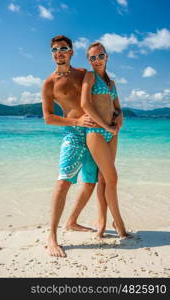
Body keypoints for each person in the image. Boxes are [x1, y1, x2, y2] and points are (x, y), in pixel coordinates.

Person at [42, 35, 98, 257]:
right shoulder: (49, 83)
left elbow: (101, 95)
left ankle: (72, 221)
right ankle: (52, 237)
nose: (59, 52)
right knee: (63, 183)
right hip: (73, 134)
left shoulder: (83, 74)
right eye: (55, 50)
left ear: (72, 51)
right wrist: (75, 121)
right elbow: (48, 118)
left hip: (94, 132)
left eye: (63, 48)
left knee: (91, 181)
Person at [81, 42, 129, 238]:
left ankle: (101, 222)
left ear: (107, 57)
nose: (97, 60)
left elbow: (117, 106)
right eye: (92, 58)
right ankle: (119, 223)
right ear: (89, 61)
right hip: (96, 132)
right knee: (113, 178)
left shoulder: (111, 83)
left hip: (112, 132)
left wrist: (119, 118)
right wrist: (105, 126)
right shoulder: (90, 76)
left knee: (104, 179)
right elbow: (85, 104)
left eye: (100, 56)